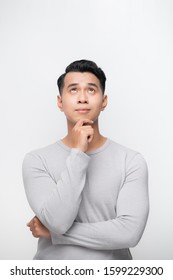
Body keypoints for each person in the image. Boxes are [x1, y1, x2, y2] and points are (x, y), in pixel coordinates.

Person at [22, 59, 149, 260]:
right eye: (73, 90)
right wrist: (79, 152)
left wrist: (56, 236)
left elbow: (129, 233)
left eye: (91, 90)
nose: (82, 98)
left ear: (104, 101)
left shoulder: (131, 161)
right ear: (60, 102)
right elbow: (58, 222)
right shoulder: (37, 160)